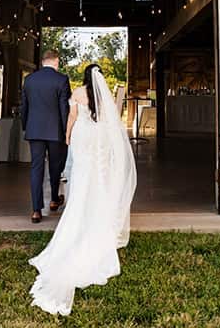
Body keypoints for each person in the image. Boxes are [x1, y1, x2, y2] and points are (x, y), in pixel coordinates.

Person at [28, 63, 137, 316]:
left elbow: (73, 118)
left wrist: (67, 136)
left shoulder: (77, 93)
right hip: (99, 139)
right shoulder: (102, 95)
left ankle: (77, 213)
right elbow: (112, 121)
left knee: (80, 177)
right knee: (99, 178)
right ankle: (100, 217)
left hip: (83, 138)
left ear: (85, 76)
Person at [20, 49, 71, 223]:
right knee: (55, 167)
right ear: (56, 62)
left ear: (42, 62)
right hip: (55, 131)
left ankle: (36, 210)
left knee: (36, 168)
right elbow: (64, 109)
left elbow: (24, 107)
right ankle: (54, 200)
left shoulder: (29, 80)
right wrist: (67, 132)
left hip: (34, 130)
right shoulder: (62, 80)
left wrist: (26, 126)